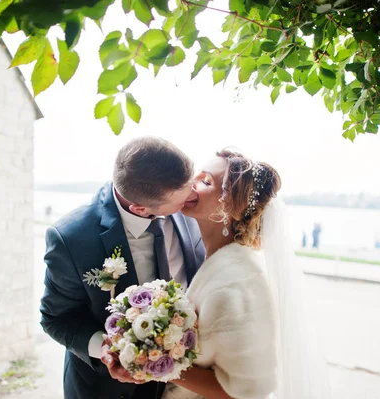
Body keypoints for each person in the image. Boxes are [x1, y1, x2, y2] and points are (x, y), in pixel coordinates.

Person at [107, 149, 330, 399]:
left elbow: (244, 391)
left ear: (231, 205)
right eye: (196, 175)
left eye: (205, 181)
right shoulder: (213, 258)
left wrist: (152, 360)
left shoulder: (238, 282)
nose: (189, 184)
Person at [40, 136, 205, 399]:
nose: (195, 195)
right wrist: (104, 349)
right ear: (140, 208)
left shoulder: (191, 211)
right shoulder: (71, 238)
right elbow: (56, 318)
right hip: (106, 390)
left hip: (182, 385)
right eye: (184, 196)